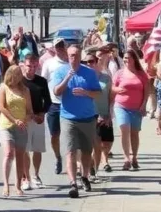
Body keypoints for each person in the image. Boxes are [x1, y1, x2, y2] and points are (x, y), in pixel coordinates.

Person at [50, 45, 102, 198]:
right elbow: (56, 92)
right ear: (67, 56)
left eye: (77, 55)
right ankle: (73, 183)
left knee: (86, 151)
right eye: (71, 55)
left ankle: (84, 176)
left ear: (81, 56)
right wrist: (67, 78)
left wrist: (86, 92)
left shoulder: (89, 73)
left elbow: (98, 93)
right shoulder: (61, 71)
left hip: (87, 118)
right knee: (70, 151)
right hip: (68, 118)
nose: (74, 58)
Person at [0, 65, 33, 197]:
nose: (19, 76)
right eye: (16, 74)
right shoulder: (3, 87)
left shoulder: (25, 90)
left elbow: (30, 111)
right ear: (10, 74)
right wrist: (14, 120)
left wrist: (25, 119)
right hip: (6, 125)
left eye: (20, 74)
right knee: (8, 153)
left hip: (22, 127)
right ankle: (6, 185)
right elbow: (1, 107)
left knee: (20, 156)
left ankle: (18, 185)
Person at [112, 48, 149, 171]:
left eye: (129, 58)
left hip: (137, 108)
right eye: (125, 58)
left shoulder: (141, 74)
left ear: (134, 59)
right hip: (121, 106)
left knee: (134, 133)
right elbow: (112, 87)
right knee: (124, 129)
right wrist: (117, 90)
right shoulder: (119, 73)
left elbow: (147, 91)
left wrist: (144, 105)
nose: (126, 60)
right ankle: (126, 158)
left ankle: (134, 157)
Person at [20, 50, 51, 190]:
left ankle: (36, 175)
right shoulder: (19, 81)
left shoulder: (41, 81)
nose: (31, 69)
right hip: (24, 119)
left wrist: (43, 113)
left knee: (37, 148)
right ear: (23, 65)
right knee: (25, 149)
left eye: (34, 66)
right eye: (29, 66)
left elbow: (48, 101)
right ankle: (25, 177)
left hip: (38, 118)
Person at [40, 37, 70, 175]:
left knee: (70, 134)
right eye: (57, 46)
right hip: (53, 103)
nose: (60, 48)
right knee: (54, 135)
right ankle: (58, 157)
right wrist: (43, 101)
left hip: (69, 103)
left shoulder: (70, 63)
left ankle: (72, 160)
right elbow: (43, 82)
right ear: (54, 48)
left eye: (62, 46)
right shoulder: (49, 63)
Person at [84, 49, 115, 175]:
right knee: (95, 143)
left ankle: (96, 162)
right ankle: (93, 167)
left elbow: (111, 97)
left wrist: (109, 114)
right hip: (90, 115)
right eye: (85, 62)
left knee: (107, 142)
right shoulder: (83, 78)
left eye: (91, 61)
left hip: (104, 113)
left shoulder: (106, 78)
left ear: (97, 62)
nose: (88, 64)